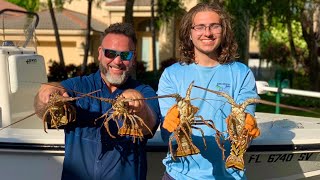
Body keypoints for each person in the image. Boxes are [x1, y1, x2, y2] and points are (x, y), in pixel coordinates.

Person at [34, 22, 161, 180]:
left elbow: (149, 123)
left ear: (133, 58)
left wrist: (138, 104)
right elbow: (42, 110)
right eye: (110, 53)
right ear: (100, 53)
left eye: (125, 55)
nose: (117, 61)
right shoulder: (77, 86)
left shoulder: (145, 92)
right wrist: (47, 93)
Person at [157, 2, 260, 180]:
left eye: (215, 26)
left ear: (224, 31)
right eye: (200, 27)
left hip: (230, 175)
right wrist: (172, 125)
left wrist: (246, 127)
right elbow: (168, 137)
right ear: (189, 33)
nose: (207, 33)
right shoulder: (171, 75)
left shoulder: (241, 73)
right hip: (179, 175)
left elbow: (246, 133)